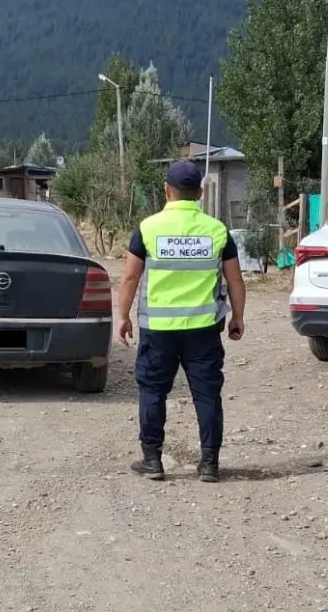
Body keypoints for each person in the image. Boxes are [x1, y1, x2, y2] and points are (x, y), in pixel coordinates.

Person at [115, 160, 246, 483]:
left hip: (159, 330)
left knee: (153, 391)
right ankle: (210, 464)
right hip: (203, 330)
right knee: (206, 394)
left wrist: (123, 316)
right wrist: (237, 317)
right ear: (200, 193)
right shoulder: (216, 230)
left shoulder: (148, 228)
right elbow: (236, 280)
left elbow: (131, 277)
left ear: (166, 190)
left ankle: (152, 460)